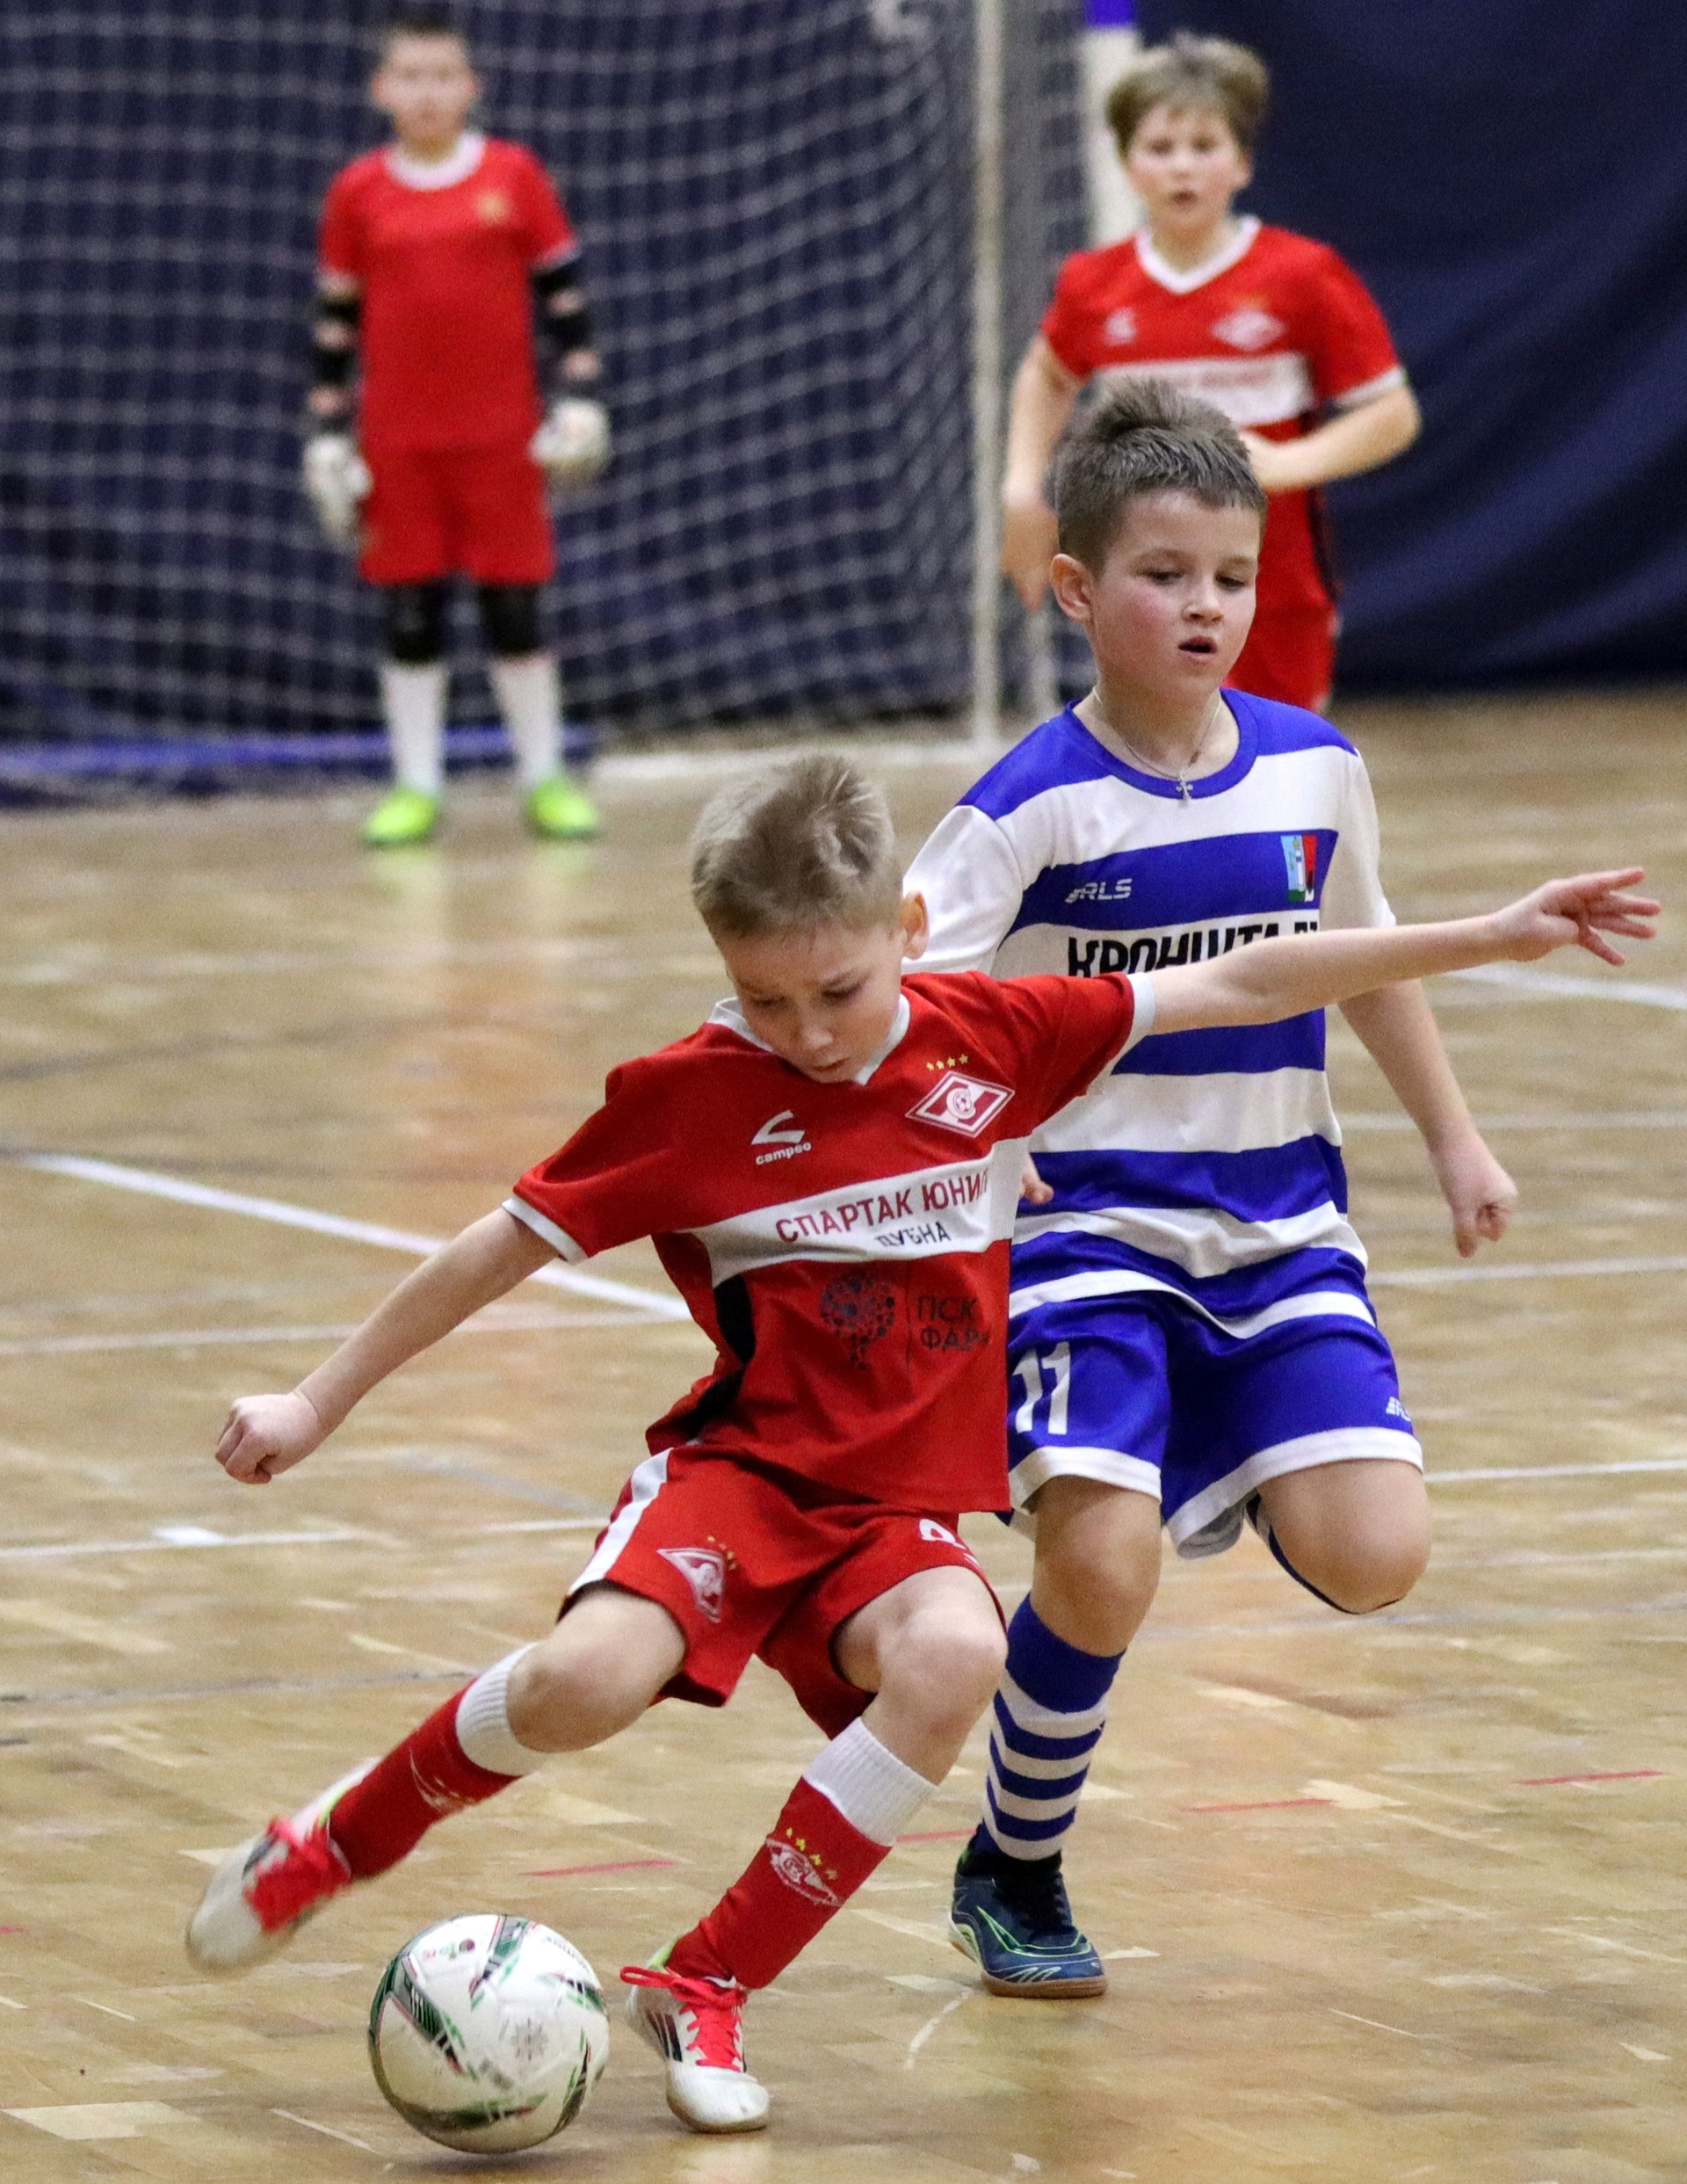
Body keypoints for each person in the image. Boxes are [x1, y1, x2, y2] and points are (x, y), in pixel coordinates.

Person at [184, 756, 1653, 2135]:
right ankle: (337, 1841)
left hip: (896, 1514)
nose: (809, 1033)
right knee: (582, 1685)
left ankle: (706, 1983)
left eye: (837, 989)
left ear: (906, 928)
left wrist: (1491, 934)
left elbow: (1251, 976)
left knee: (958, 1654)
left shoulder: (996, 1038)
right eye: (765, 1000)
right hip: (741, 1477)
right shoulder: (686, 1097)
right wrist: (317, 1402)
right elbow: (493, 1249)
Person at [908, 377, 1565, 1998]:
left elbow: (1365, 961)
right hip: (1080, 1226)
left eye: (1233, 577)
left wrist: (1456, 1141)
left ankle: (1242, 1448)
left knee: (1377, 1554)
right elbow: (906, 1017)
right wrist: (965, 1158)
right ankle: (1015, 1862)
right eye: (1165, 575)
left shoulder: (1315, 769)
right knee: (1101, 1564)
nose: (1206, 606)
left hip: (1278, 1223)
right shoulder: (1021, 809)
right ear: (1077, 589)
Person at [1002, 31, 1419, 714]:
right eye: (1160, 148)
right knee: (1153, 757)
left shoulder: (1302, 276)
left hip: (1272, 587)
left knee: (1271, 760)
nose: (1182, 169)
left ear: (1242, 163)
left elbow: (1391, 414)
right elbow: (1047, 376)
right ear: (1127, 164)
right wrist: (1022, 487)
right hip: (1139, 587)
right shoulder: (1094, 284)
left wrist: (1288, 463)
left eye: (1204, 146)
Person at [305, 6, 609, 848]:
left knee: (514, 610)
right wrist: (327, 431)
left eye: (443, 75)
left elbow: (566, 303)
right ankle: (415, 786)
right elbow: (334, 326)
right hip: (398, 444)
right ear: (381, 89)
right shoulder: (357, 192)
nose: (427, 92)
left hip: (501, 441)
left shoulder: (514, 176)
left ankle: (545, 779)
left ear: (471, 86)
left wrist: (581, 396)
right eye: (411, 76)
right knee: (411, 615)